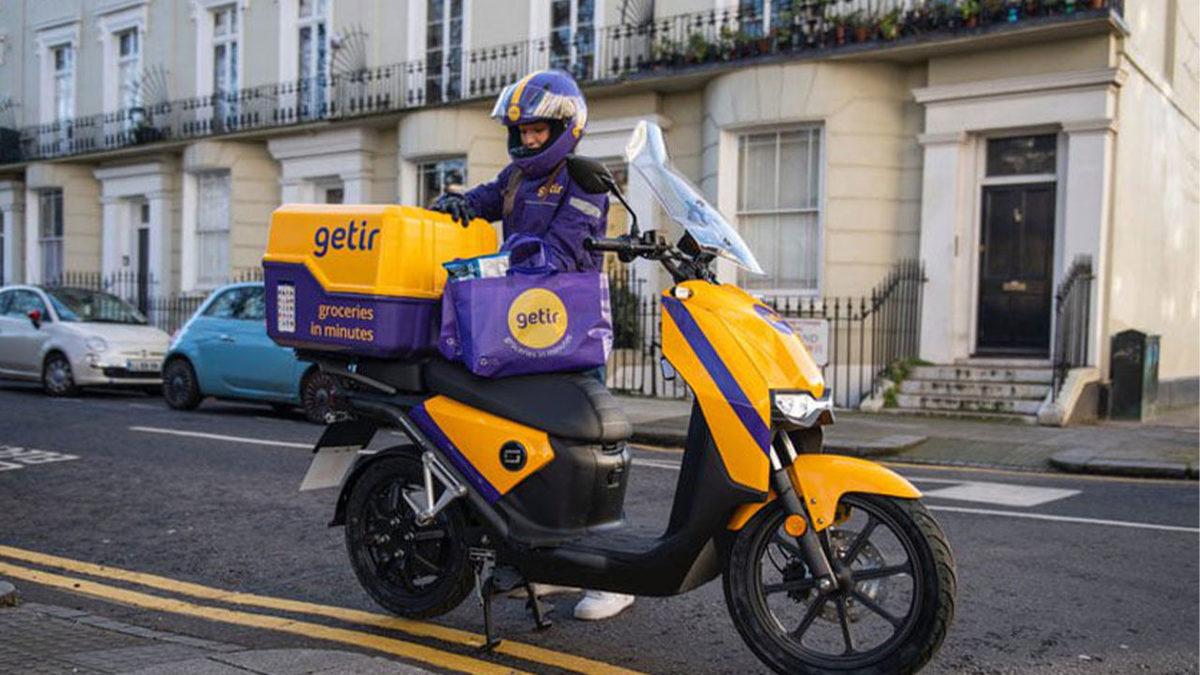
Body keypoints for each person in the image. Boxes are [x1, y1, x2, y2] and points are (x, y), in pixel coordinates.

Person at [432, 70, 634, 622]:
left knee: (586, 452)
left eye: (538, 131)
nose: (526, 140)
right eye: (519, 131)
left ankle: (611, 576)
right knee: (531, 453)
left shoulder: (585, 182)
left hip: (569, 333)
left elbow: (563, 253)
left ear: (567, 128)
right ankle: (544, 568)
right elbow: (485, 199)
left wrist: (499, 263)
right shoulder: (516, 178)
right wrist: (455, 208)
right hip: (519, 330)